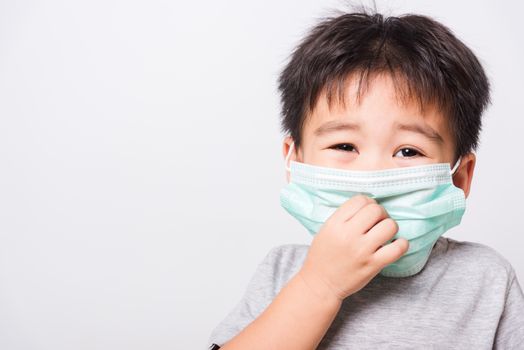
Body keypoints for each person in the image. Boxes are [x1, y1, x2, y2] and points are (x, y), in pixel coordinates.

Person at [207, 8, 524, 349]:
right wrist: (319, 285)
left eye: (408, 151)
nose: (372, 174)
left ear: (459, 178)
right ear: (294, 162)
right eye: (344, 145)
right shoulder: (282, 271)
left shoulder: (486, 279)